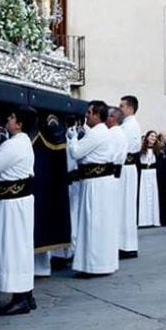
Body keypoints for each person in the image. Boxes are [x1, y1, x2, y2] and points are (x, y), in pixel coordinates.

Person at [67, 101, 118, 276]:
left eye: (89, 112)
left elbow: (76, 153)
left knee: (93, 222)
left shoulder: (97, 133)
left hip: (95, 183)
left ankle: (94, 265)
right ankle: (99, 263)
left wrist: (72, 138)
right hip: (99, 181)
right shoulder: (100, 132)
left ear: (97, 115)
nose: (86, 115)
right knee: (99, 223)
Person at [0, 106, 37, 316]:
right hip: (20, 201)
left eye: (11, 117)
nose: (8, 120)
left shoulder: (13, 145)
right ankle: (26, 292)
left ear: (19, 124)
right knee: (20, 246)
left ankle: (20, 297)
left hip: (12, 203)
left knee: (12, 247)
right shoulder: (23, 143)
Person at [105, 108, 132, 256]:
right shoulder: (119, 133)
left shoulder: (112, 134)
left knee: (109, 213)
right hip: (115, 174)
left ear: (113, 118)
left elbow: (107, 155)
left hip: (109, 174)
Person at [118, 95, 142, 259]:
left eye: (122, 106)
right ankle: (124, 243)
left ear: (130, 108)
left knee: (125, 206)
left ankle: (126, 245)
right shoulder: (127, 125)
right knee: (124, 206)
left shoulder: (129, 126)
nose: (119, 109)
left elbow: (120, 148)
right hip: (127, 167)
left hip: (125, 167)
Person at [136, 131, 161, 228]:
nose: (153, 138)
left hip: (153, 173)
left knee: (153, 195)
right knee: (143, 195)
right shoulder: (141, 149)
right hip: (144, 174)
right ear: (147, 137)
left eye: (155, 136)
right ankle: (143, 220)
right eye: (151, 136)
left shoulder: (157, 150)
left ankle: (153, 219)